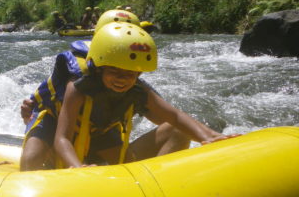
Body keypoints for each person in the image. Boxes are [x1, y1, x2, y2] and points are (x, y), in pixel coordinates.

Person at [19, 21, 231, 171]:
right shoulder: (79, 85)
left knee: (177, 131)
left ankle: (153, 186)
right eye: (115, 72)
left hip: (99, 132)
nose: (122, 79)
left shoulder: (137, 89)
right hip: (54, 125)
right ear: (100, 68)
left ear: (138, 74)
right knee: (31, 159)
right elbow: (62, 137)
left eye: (130, 74)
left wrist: (210, 137)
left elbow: (174, 118)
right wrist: (78, 168)